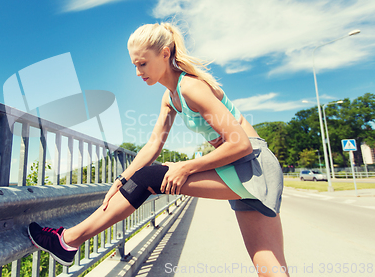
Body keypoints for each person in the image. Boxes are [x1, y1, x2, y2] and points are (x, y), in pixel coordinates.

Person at [28, 23, 289, 276]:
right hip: (240, 169)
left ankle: (68, 240)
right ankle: (69, 241)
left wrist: (185, 166)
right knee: (270, 269)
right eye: (134, 65)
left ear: (165, 54)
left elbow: (240, 143)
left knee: (150, 178)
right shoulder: (170, 97)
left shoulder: (191, 87)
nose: (138, 72)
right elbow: (154, 144)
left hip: (252, 164)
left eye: (143, 63)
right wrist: (121, 180)